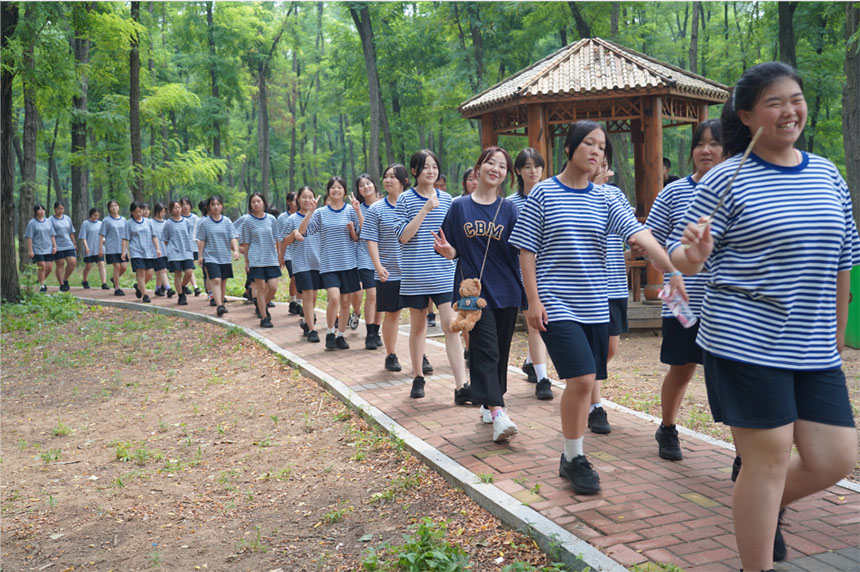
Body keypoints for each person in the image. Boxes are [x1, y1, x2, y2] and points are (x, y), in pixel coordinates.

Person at [670, 62, 858, 572]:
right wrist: (695, 253)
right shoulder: (725, 180)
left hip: (814, 347)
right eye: (774, 102)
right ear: (748, 116)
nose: (789, 110)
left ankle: (757, 507)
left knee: (836, 457)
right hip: (744, 340)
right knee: (768, 458)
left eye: (794, 99)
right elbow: (682, 257)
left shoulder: (827, 174)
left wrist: (836, 337)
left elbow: (844, 260)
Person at [509, 120, 686, 495]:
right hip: (556, 302)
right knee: (583, 380)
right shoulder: (542, 193)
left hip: (596, 303)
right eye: (588, 143)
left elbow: (640, 236)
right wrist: (533, 301)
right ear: (570, 148)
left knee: (589, 376)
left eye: (602, 147)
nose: (596, 151)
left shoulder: (607, 198)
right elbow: (527, 251)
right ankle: (574, 457)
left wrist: (672, 270)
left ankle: (568, 456)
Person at [637, 118, 724, 461]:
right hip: (683, 301)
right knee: (682, 367)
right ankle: (668, 427)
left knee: (728, 376)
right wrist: (670, 270)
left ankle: (743, 452)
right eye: (700, 144)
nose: (706, 150)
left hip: (725, 304)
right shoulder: (674, 192)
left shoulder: (740, 191)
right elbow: (650, 240)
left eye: (714, 143)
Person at [435, 147, 526, 442]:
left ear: (506, 176)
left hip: (507, 290)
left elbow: (519, 253)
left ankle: (490, 402)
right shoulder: (460, 206)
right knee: (485, 350)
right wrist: (450, 252)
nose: (495, 168)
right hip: (472, 292)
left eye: (502, 166)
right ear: (478, 168)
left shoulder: (510, 209)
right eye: (490, 162)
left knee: (499, 352)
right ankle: (499, 412)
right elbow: (449, 245)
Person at [395, 149, 470, 403]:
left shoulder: (448, 199)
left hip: (444, 275)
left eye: (434, 167)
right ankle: (418, 376)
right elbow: (403, 236)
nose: (431, 171)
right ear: (414, 171)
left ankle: (461, 386)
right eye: (425, 167)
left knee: (452, 327)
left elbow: (454, 238)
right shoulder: (405, 200)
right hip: (415, 276)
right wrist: (425, 209)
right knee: (418, 328)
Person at [584, 158, 634, 434]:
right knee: (595, 350)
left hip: (614, 283)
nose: (599, 168)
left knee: (609, 349)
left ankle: (584, 383)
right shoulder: (573, 197)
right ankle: (595, 406)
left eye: (603, 163)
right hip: (589, 286)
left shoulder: (615, 195)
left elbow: (627, 232)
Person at [507, 148, 553, 401]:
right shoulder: (511, 204)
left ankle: (530, 361)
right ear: (518, 171)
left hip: (552, 270)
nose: (533, 171)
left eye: (537, 166)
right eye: (527, 166)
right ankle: (543, 379)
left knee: (545, 323)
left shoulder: (553, 198)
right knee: (537, 325)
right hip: (524, 272)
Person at [298, 176, 362, 350]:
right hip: (329, 264)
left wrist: (357, 213)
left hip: (349, 263)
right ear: (328, 191)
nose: (336, 190)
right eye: (332, 187)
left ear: (345, 191)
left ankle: (341, 335)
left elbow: (358, 237)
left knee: (345, 301)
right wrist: (310, 211)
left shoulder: (350, 210)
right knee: (334, 298)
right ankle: (329, 332)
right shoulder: (320, 213)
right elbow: (303, 232)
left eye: (339, 187)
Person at [361, 164, 407, 371]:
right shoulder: (376, 209)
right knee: (392, 314)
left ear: (404, 181)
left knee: (420, 313)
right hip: (389, 271)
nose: (388, 180)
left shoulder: (413, 205)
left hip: (414, 271)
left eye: (393, 177)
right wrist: (377, 266)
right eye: (386, 177)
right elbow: (371, 240)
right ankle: (391, 354)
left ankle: (421, 354)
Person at [280, 186, 322, 343]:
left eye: (310, 197)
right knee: (308, 294)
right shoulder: (291, 219)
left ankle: (306, 320)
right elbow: (284, 241)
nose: (307, 200)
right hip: (300, 262)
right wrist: (282, 256)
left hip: (317, 262)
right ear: (297, 199)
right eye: (303, 197)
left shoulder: (318, 217)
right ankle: (312, 330)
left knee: (314, 294)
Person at [240, 193, 281, 328]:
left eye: (258, 201)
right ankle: (264, 317)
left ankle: (260, 305)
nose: (256, 204)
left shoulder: (271, 219)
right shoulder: (247, 221)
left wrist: (280, 255)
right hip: (256, 259)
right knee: (261, 288)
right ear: (250, 205)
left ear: (264, 203)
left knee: (273, 287)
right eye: (253, 202)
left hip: (271, 258)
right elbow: (246, 243)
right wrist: (247, 262)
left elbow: (277, 239)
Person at [197, 195, 240, 316]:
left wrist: (236, 250)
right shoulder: (205, 223)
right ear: (208, 207)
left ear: (221, 206)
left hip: (224, 256)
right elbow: (202, 240)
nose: (216, 207)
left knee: (223, 281)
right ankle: (219, 305)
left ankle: (221, 302)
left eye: (218, 204)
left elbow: (232, 237)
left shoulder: (227, 221)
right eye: (213, 205)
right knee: (215, 280)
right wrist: (200, 255)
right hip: (210, 256)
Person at [353, 174, 382, 349]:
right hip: (365, 257)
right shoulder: (357, 208)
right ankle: (370, 332)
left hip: (383, 257)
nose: (365, 187)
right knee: (371, 294)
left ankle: (376, 330)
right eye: (361, 185)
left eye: (368, 183)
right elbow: (365, 233)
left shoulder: (384, 205)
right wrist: (357, 211)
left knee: (381, 297)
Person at [123, 201, 161, 304]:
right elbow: (125, 238)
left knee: (149, 273)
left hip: (148, 251)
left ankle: (139, 287)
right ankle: (145, 295)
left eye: (140, 211)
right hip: (136, 251)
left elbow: (154, 236)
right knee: (141, 273)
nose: (138, 214)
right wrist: (124, 251)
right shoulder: (129, 223)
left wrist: (157, 248)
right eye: (136, 212)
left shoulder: (149, 222)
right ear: (132, 212)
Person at [24, 204, 56, 293]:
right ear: (35, 212)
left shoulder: (48, 221)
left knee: (49, 268)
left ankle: (40, 280)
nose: (41, 211)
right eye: (39, 210)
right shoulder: (32, 223)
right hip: (37, 248)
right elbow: (29, 237)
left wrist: (54, 246)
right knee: (42, 266)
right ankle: (42, 285)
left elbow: (52, 234)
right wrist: (30, 250)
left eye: (43, 209)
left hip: (48, 248)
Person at [99, 200, 128, 296]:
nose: (114, 208)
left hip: (122, 248)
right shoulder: (106, 220)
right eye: (112, 206)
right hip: (111, 247)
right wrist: (100, 248)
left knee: (124, 267)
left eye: (116, 205)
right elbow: (101, 235)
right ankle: (117, 288)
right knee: (117, 266)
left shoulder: (123, 220)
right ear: (109, 209)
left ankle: (114, 279)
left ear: (118, 207)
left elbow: (126, 234)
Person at [49, 201, 77, 292]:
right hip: (57, 245)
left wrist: (74, 243)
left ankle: (65, 279)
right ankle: (61, 284)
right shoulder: (50, 220)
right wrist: (53, 246)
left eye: (62, 209)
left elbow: (71, 231)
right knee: (60, 264)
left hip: (68, 243)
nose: (60, 211)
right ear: (54, 209)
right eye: (58, 209)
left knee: (72, 262)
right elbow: (50, 234)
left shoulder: (67, 218)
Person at [80, 207, 109, 290]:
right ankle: (85, 280)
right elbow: (83, 237)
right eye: (94, 215)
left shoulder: (101, 223)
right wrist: (86, 246)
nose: (96, 217)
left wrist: (103, 241)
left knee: (101, 264)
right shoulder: (85, 224)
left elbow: (103, 235)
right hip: (89, 247)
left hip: (99, 248)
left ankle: (104, 282)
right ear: (91, 215)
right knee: (88, 266)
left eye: (97, 215)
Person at [282, 191, 301, 315]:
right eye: (294, 200)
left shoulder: (305, 216)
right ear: (288, 202)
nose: (296, 202)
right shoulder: (283, 218)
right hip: (288, 253)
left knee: (299, 278)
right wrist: (280, 255)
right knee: (294, 276)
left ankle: (299, 302)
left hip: (300, 253)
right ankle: (293, 300)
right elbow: (280, 238)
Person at [180, 197, 202, 296]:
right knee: (189, 267)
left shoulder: (195, 218)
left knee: (190, 267)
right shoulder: (178, 218)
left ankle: (184, 286)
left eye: (187, 204)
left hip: (193, 245)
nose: (185, 207)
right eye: (183, 205)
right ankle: (195, 287)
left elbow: (197, 233)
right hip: (182, 247)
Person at [150, 203, 172, 297]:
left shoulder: (166, 223)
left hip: (166, 250)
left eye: (164, 211)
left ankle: (158, 288)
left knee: (160, 271)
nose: (163, 213)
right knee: (163, 270)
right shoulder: (151, 222)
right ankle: (168, 288)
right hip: (156, 250)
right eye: (161, 211)